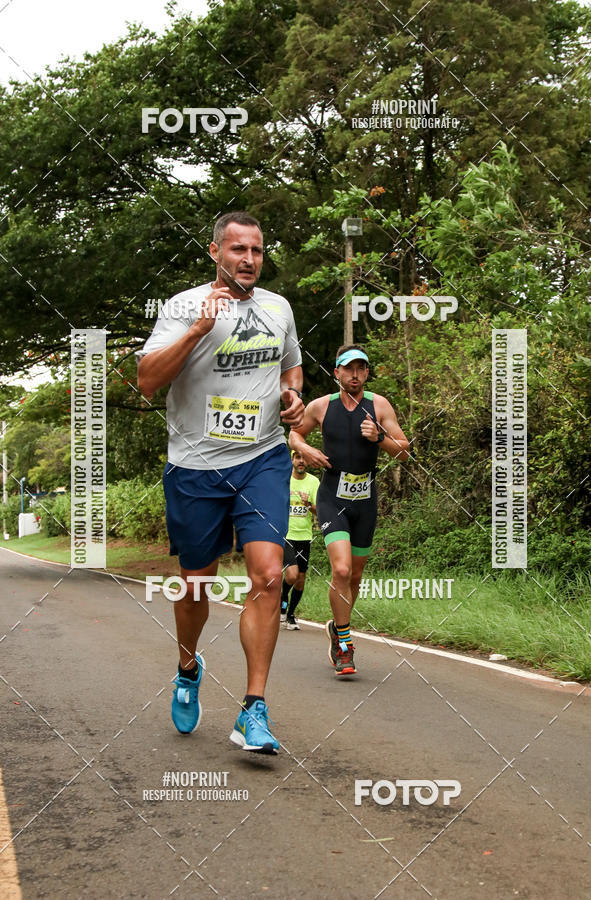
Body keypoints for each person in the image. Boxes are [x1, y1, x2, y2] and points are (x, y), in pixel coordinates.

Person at [137, 211, 304, 754]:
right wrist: (198, 331)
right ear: (215, 252)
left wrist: (291, 395)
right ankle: (188, 666)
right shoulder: (183, 307)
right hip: (195, 467)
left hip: (263, 459)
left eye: (256, 250)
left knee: (269, 574)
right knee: (195, 586)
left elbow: (290, 366)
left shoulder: (278, 307)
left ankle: (254, 709)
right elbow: (146, 382)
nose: (249, 260)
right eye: (238, 250)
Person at [289, 344, 409, 676]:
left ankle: (337, 627)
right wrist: (306, 449)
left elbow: (403, 451)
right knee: (341, 571)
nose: (354, 375)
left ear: (366, 373)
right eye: (348, 369)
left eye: (361, 369)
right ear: (336, 373)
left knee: (354, 576)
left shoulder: (378, 405)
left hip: (365, 500)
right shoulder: (320, 407)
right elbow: (294, 433)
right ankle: (344, 644)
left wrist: (380, 437)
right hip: (332, 496)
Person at [280, 449, 320, 630]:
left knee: (301, 579)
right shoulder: (283, 478)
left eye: (304, 458)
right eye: (298, 458)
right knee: (292, 574)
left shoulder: (314, 482)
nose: (301, 461)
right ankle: (282, 598)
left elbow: (319, 510)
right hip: (286, 534)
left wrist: (308, 504)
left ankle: (290, 615)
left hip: (305, 536)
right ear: (292, 460)